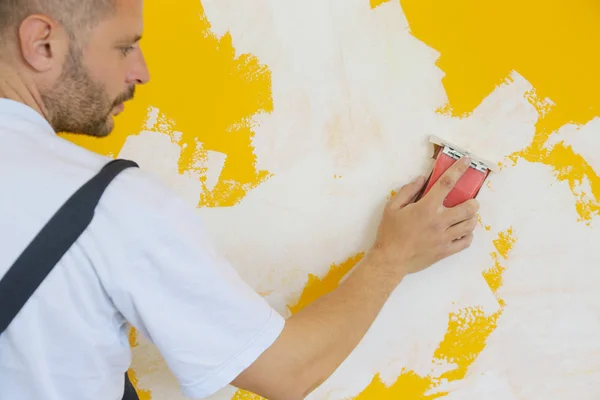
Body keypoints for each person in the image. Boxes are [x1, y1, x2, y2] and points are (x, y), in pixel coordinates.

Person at [0, 0, 480, 399]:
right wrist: (392, 257)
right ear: (42, 42)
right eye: (124, 46)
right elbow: (284, 371)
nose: (141, 71)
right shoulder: (107, 206)